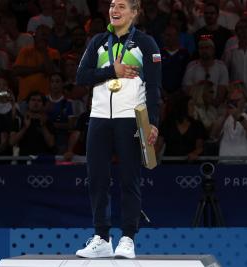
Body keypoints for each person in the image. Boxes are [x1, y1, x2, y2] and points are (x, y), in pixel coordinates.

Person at [74, 0, 160, 259]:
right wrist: (114, 70)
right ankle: (101, 238)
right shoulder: (98, 41)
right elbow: (81, 77)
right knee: (97, 179)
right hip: (99, 117)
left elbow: (155, 87)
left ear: (134, 13)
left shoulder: (146, 44)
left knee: (129, 179)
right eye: (112, 5)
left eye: (122, 6)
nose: (115, 10)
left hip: (130, 118)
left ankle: (128, 238)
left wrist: (153, 122)